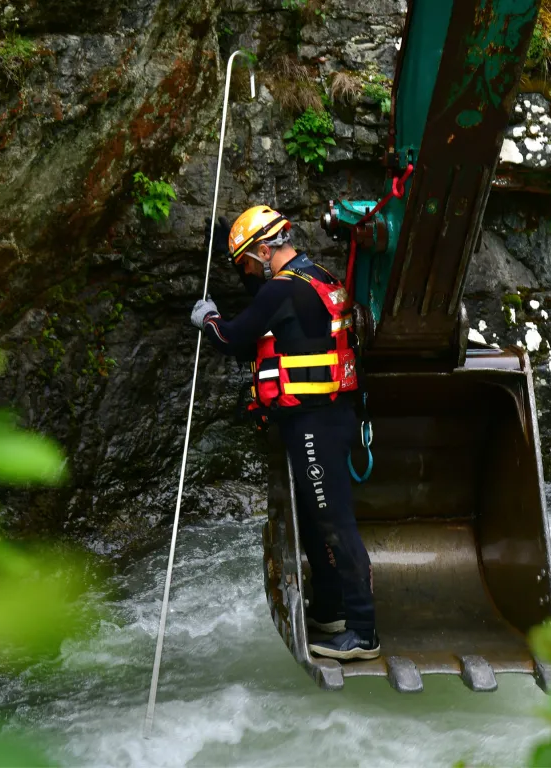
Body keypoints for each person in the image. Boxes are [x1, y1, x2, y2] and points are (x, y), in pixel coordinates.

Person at [190, 205, 379, 661]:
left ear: (262, 251)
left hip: (316, 422)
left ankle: (363, 631)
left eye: (246, 264)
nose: (248, 273)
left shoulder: (281, 291)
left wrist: (208, 318)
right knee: (315, 517)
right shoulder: (321, 277)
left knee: (334, 522)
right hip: (326, 416)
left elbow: (233, 338)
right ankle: (332, 609)